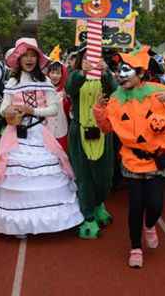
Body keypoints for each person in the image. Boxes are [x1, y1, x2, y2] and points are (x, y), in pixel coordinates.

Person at [93, 49, 165, 268]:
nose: (121, 75)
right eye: (119, 71)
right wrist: (99, 108)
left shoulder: (160, 92)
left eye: (127, 71)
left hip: (157, 159)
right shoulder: (115, 99)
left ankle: (150, 225)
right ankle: (135, 247)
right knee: (135, 206)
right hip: (132, 160)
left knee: (155, 204)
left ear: (141, 73)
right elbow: (106, 128)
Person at [0, 38, 83, 238]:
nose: (29, 59)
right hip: (17, 135)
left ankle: (50, 222)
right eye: (25, 55)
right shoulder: (12, 82)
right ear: (19, 59)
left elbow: (53, 109)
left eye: (33, 55)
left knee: (47, 174)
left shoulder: (45, 81)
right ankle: (19, 225)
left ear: (38, 58)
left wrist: (33, 110)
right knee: (18, 178)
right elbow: (3, 108)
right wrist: (10, 110)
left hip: (40, 134)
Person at [65, 44, 117, 239]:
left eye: (96, 56)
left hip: (103, 133)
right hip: (80, 134)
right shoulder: (75, 76)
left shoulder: (106, 76)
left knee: (105, 176)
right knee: (84, 177)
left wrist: (105, 73)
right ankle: (87, 217)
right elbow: (69, 87)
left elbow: (114, 90)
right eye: (87, 57)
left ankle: (98, 205)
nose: (92, 60)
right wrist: (81, 74)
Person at [46, 60, 70, 151]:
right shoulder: (43, 90)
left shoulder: (66, 91)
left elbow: (69, 113)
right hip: (46, 131)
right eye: (52, 72)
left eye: (58, 73)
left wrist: (67, 100)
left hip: (62, 130)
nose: (54, 76)